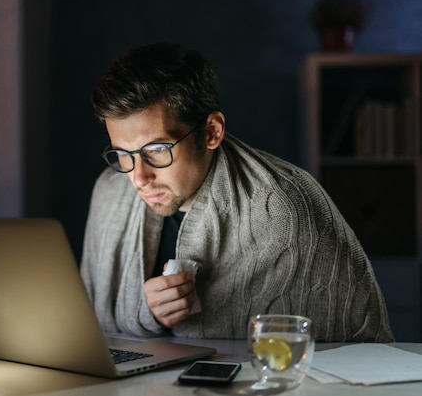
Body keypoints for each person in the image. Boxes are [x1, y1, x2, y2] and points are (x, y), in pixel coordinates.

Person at [80, 42, 394, 342]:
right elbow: (86, 329)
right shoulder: (109, 192)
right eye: (123, 154)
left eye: (158, 150)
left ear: (211, 132)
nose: (138, 177)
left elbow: (365, 347)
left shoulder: (285, 208)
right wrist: (145, 313)